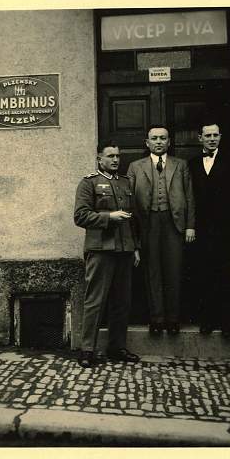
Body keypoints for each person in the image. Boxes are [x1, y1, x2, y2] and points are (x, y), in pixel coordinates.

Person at [74, 143, 140, 368]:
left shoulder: (125, 183)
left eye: (118, 156)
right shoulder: (88, 183)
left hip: (124, 250)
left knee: (122, 301)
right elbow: (81, 216)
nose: (115, 160)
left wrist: (136, 247)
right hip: (100, 249)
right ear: (99, 158)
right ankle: (87, 349)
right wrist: (109, 217)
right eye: (110, 156)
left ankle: (116, 347)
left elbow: (134, 219)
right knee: (95, 301)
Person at [127, 125, 195, 335]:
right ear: (147, 143)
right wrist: (133, 231)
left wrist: (190, 225)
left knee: (173, 270)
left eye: (163, 138)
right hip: (147, 224)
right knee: (152, 271)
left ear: (169, 142)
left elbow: (190, 196)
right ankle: (156, 319)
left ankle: (173, 319)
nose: (158, 142)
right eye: (154, 138)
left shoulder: (180, 165)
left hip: (174, 223)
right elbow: (128, 200)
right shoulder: (135, 166)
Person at [189, 123, 230, 336]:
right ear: (200, 138)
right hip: (202, 229)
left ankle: (229, 323)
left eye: (215, 135)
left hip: (226, 228)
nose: (212, 138)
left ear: (221, 136)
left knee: (227, 273)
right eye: (207, 135)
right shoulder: (193, 163)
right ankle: (207, 320)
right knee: (204, 273)